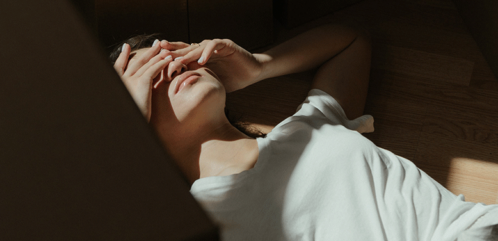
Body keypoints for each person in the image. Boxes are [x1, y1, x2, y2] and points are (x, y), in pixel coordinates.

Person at [111, 24, 498, 241]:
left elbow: (350, 43)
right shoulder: (190, 221)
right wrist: (120, 132)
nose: (174, 68)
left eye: (175, 57)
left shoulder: (306, 128)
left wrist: (259, 66)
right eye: (150, 76)